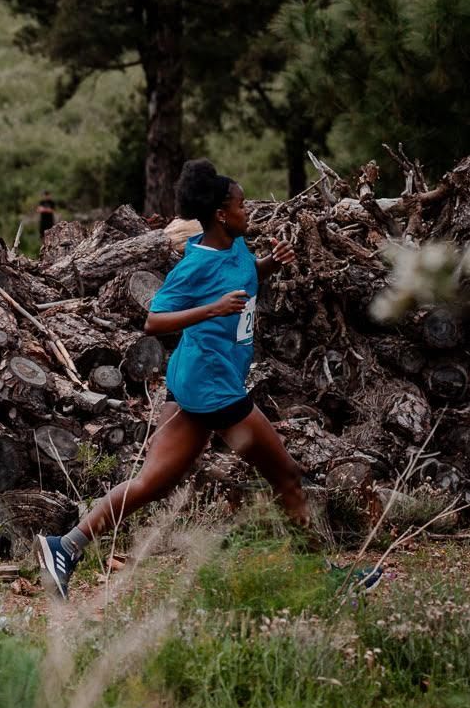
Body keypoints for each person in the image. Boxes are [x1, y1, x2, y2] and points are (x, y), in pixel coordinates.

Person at [34, 159, 313, 600]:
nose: (248, 212)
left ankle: (65, 546)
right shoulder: (195, 264)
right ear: (221, 214)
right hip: (214, 388)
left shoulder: (237, 245)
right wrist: (211, 310)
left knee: (154, 482)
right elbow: (154, 320)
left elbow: (244, 277)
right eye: (242, 205)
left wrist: (270, 265)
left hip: (191, 385)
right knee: (288, 478)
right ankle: (322, 578)